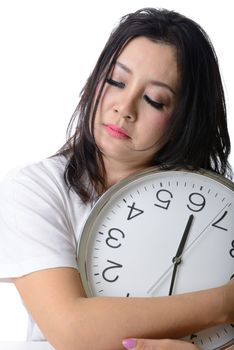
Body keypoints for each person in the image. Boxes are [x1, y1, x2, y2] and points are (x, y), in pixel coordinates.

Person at [0, 7, 233, 350]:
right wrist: (226, 304)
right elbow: (72, 329)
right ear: (93, 82)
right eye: (116, 81)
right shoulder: (36, 190)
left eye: (155, 100)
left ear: (185, 119)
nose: (125, 107)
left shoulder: (218, 201)